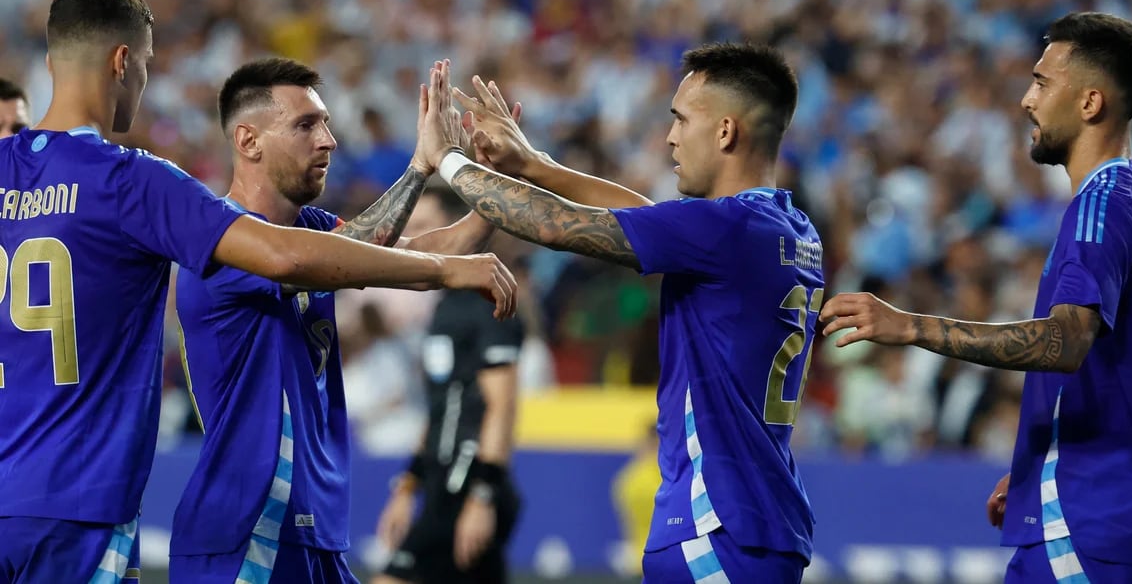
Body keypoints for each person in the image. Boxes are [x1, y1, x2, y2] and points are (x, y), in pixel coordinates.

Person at [0, 0, 515, 583]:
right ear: (121, 60)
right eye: (145, 63)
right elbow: (285, 257)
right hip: (94, 504)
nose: (143, 81)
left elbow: (349, 250)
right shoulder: (135, 184)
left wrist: (497, 181)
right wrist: (448, 266)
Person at [420, 44, 821, 581]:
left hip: (716, 522)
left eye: (680, 119)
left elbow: (553, 226)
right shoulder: (788, 229)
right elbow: (648, 216)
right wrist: (533, 165)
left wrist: (446, 158)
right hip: (755, 520)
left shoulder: (724, 230)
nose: (670, 137)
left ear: (725, 131)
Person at [819, 12, 1132, 582]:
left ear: (1090, 102)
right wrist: (1043, 459)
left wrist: (911, 327)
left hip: (1087, 512)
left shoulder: (1102, 206)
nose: (1026, 99)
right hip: (1121, 507)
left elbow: (1064, 342)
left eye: (1043, 83)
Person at [169, 58, 507, 583]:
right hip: (247, 533)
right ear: (249, 140)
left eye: (325, 123)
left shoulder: (312, 229)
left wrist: (492, 181)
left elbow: (417, 253)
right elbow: (369, 254)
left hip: (314, 528)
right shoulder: (222, 238)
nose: (328, 140)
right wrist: (420, 168)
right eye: (306, 125)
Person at [374, 185, 524, 584]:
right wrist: (408, 486)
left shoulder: (487, 304)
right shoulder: (442, 308)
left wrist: (482, 495)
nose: (417, 240)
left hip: (470, 486)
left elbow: (501, 406)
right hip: (442, 486)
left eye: (426, 227)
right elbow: (440, 407)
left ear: (458, 232)